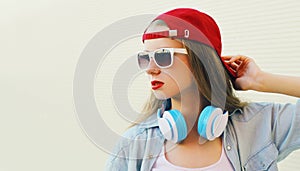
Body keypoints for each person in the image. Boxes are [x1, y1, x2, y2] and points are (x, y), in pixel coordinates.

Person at [105, 8, 300, 171]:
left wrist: (261, 80)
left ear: (201, 60)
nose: (150, 69)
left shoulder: (260, 124)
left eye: (163, 56)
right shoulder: (134, 144)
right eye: (145, 58)